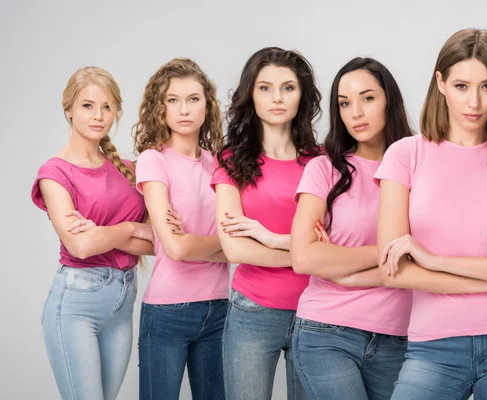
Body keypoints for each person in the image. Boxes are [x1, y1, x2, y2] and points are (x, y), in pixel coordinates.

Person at [376, 28, 487, 399]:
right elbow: (393, 269)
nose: (474, 101)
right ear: (440, 83)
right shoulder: (404, 155)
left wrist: (433, 260)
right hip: (433, 350)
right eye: (462, 86)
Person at [290, 57, 413, 400]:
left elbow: (434, 255)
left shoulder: (419, 165)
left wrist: (342, 265)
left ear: (390, 99)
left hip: (400, 337)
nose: (355, 112)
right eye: (345, 103)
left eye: (368, 98)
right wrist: (391, 250)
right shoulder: (324, 169)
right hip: (326, 331)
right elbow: (304, 257)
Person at [32, 66, 153, 400]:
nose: (98, 115)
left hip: (123, 302)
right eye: (87, 105)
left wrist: (103, 232)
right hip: (76, 305)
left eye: (107, 106)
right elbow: (81, 245)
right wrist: (130, 227)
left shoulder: (130, 170)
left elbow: (161, 242)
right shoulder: (54, 173)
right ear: (68, 109)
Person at [211, 47, 321, 400]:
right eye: (265, 87)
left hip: (316, 311)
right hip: (254, 311)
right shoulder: (231, 160)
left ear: (302, 95)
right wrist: (305, 254)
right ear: (250, 94)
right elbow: (233, 247)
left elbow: (333, 241)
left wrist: (272, 239)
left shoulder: (321, 162)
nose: (277, 98)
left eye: (288, 88)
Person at [133, 58, 229, 400]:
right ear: (160, 107)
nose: (183, 109)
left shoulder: (220, 163)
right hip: (167, 311)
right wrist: (223, 245)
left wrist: (196, 242)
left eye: (193, 98)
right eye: (173, 100)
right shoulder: (153, 160)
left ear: (208, 105)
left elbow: (234, 242)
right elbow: (175, 249)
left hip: (219, 307)